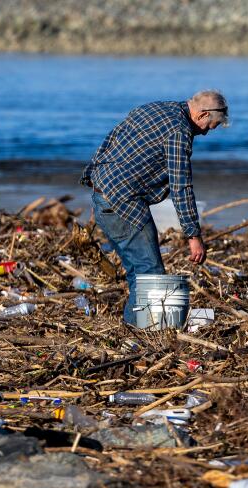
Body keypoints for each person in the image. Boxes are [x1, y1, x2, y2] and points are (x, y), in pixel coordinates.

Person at [81, 89, 229, 325]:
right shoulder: (179, 132)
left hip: (104, 192)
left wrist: (95, 183)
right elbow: (181, 186)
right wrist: (193, 235)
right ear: (202, 115)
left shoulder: (156, 108)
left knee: (137, 272)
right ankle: (138, 331)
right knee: (151, 274)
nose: (205, 133)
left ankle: (133, 326)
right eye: (210, 126)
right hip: (124, 202)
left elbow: (114, 137)